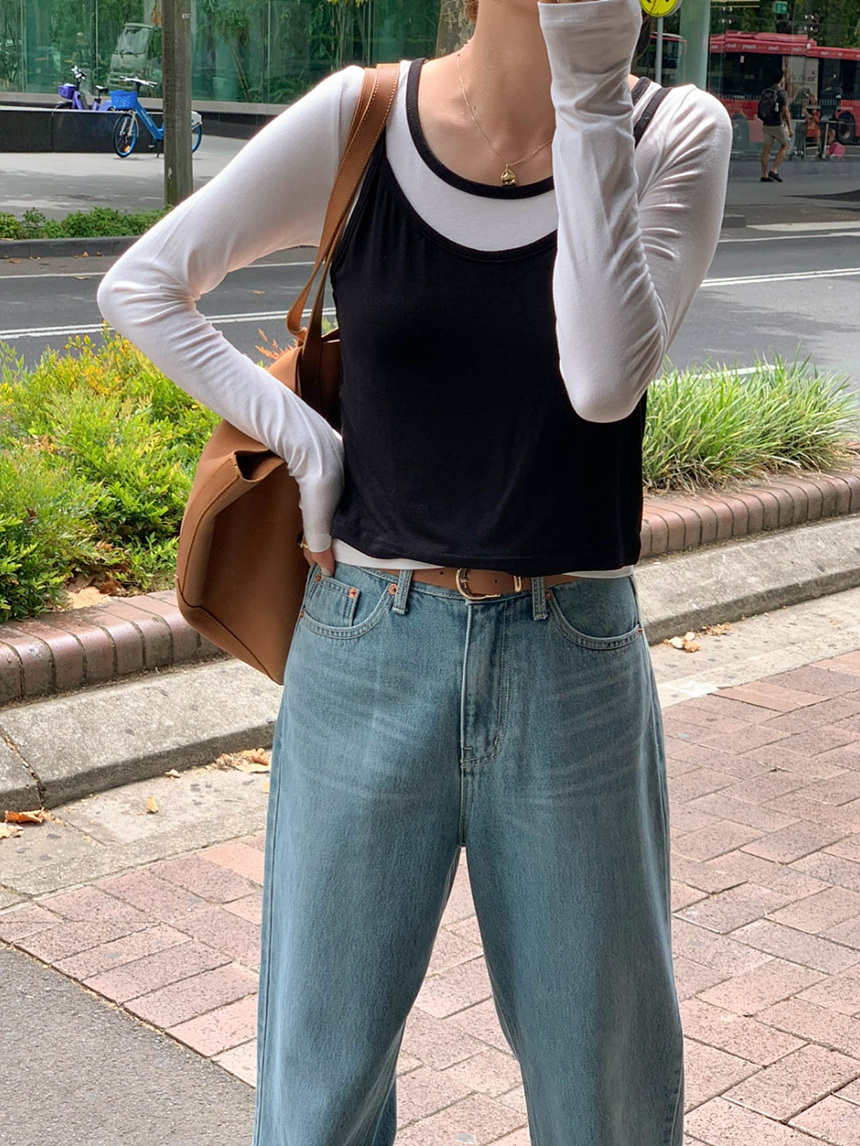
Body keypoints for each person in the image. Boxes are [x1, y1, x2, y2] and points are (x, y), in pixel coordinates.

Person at [96, 0, 731, 1141]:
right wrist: (308, 443)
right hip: (365, 643)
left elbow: (601, 382)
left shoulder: (670, 132)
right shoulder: (364, 118)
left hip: (573, 658)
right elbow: (142, 286)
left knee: (607, 1096)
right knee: (319, 1093)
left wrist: (589, 92)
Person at [758, 68, 792, 182]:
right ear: (781, 79)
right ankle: (774, 169)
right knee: (785, 145)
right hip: (777, 124)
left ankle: (764, 174)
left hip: (766, 124)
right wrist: (790, 128)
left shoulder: (766, 92)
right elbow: (785, 111)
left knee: (766, 150)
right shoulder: (782, 93)